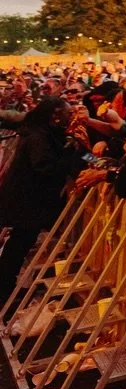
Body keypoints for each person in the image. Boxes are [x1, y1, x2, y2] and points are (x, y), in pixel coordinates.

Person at [0, 97, 87, 297]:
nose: (70, 117)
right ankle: (5, 287)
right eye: (67, 113)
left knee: (19, 244)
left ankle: (6, 284)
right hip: (26, 201)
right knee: (18, 245)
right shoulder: (38, 136)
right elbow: (47, 168)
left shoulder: (43, 133)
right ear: (55, 115)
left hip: (27, 201)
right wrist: (71, 149)